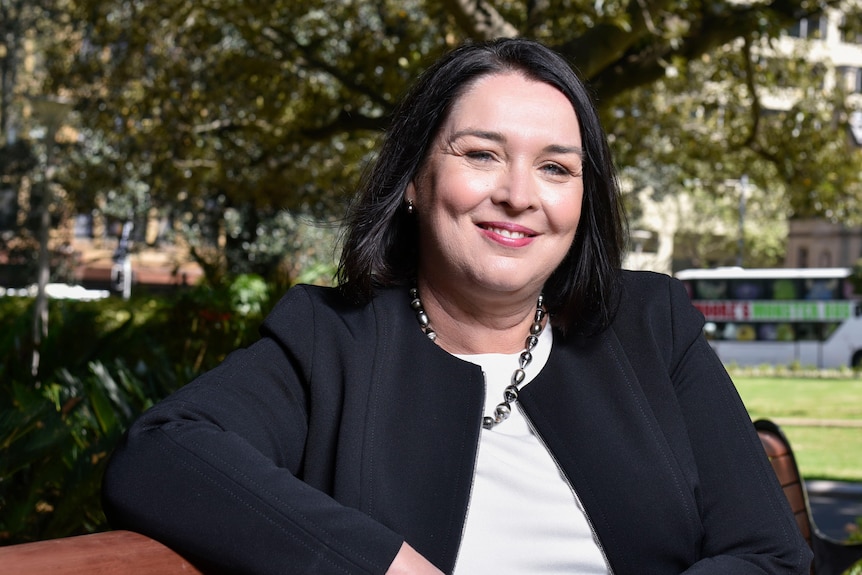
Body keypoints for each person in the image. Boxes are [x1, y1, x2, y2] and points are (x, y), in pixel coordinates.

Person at [101, 38, 812, 574]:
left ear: (581, 198)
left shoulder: (650, 323)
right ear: (414, 178)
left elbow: (767, 553)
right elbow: (161, 452)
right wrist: (380, 564)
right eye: (481, 154)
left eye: (556, 167)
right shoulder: (332, 338)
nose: (518, 194)